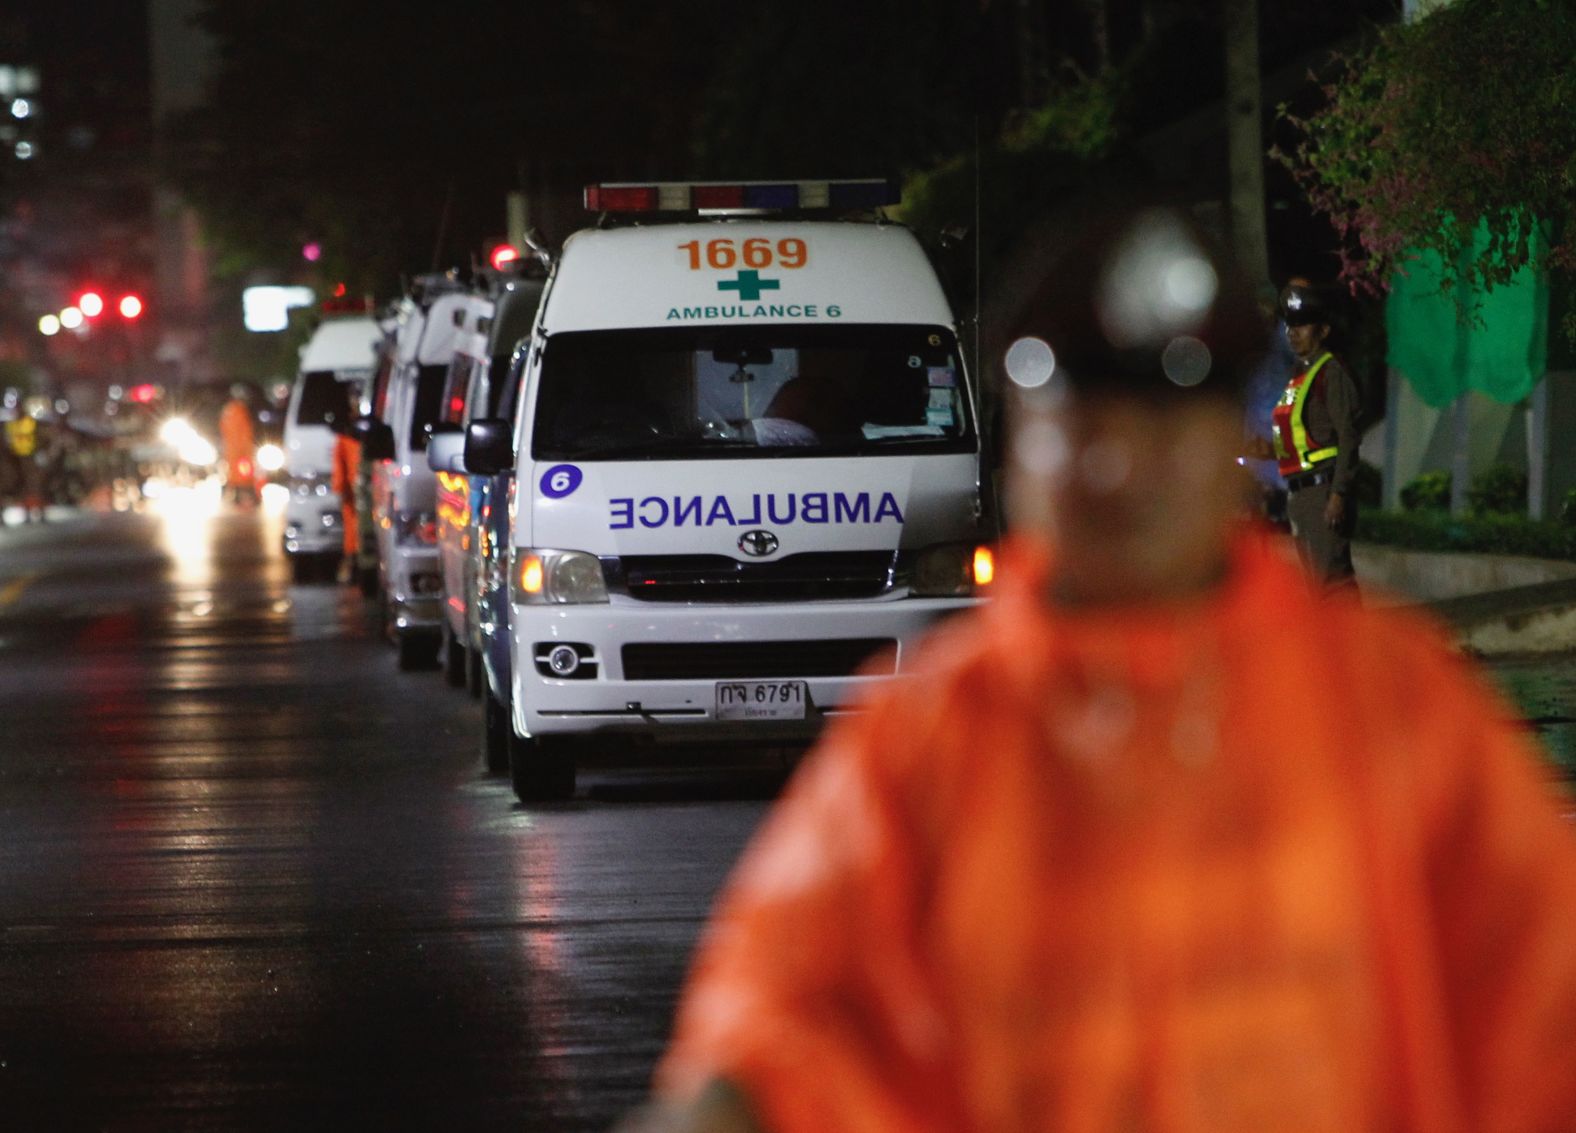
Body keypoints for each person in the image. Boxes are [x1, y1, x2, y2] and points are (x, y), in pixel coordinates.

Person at [618, 202, 1576, 1133]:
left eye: (1163, 425)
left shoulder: (1395, 710)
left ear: (1232, 445)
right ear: (1018, 451)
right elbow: (785, 1025)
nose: (1116, 466)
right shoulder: (926, 745)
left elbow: (1541, 1004)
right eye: (1076, 420)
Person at [1246, 282, 1361, 589]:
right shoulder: (1299, 376)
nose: (1294, 332)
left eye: (1303, 325)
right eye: (1290, 326)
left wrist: (1338, 495)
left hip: (1322, 491)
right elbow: (1305, 437)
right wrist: (1267, 451)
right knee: (1315, 585)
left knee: (1332, 584)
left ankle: (1350, 638)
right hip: (1299, 493)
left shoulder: (1330, 373)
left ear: (1322, 331)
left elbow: (1348, 438)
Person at [219, 384, 258, 506]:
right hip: (240, 449)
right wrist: (247, 447)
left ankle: (234, 493)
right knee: (244, 473)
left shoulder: (228, 410)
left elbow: (223, 428)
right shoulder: (240, 410)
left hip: (231, 448)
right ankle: (247, 494)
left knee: (234, 473)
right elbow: (245, 431)